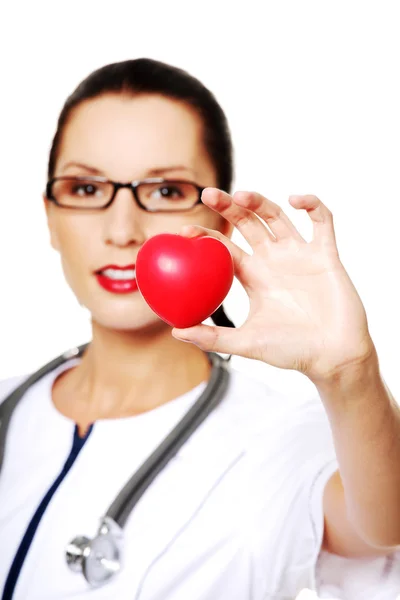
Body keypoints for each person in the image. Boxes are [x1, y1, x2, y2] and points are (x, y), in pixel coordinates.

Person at [0, 58, 399, 600]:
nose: (122, 230)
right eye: (87, 188)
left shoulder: (283, 442)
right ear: (50, 213)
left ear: (218, 216)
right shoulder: (8, 406)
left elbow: (382, 528)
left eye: (166, 191)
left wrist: (351, 374)